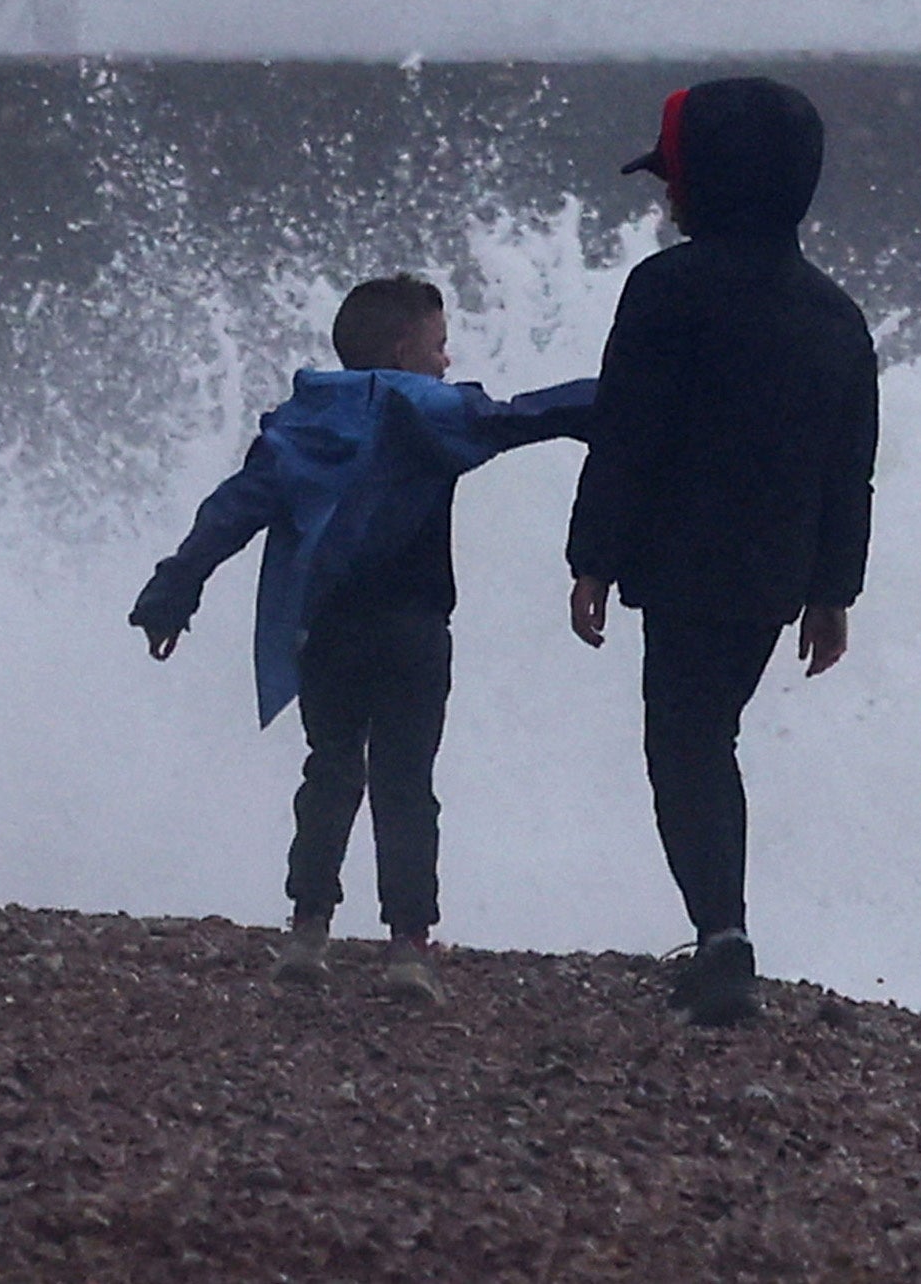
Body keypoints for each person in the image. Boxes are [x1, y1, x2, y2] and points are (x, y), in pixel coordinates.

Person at [132, 277, 593, 994]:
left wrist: (175, 586)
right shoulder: (433, 409)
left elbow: (233, 510)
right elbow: (527, 416)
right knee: (407, 781)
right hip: (413, 629)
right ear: (406, 349)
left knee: (332, 767)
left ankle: (308, 931)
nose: (448, 361)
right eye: (439, 345)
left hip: (326, 632)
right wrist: (632, 395)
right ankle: (408, 945)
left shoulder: (299, 423)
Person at [566, 75, 881, 1029]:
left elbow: (628, 433)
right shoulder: (836, 316)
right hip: (774, 571)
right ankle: (720, 932)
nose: (666, 197)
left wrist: (593, 556)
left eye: (673, 181)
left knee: (687, 737)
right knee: (712, 733)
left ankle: (722, 938)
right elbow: (849, 467)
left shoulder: (664, 291)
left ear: (703, 187)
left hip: (680, 559)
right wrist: (833, 590)